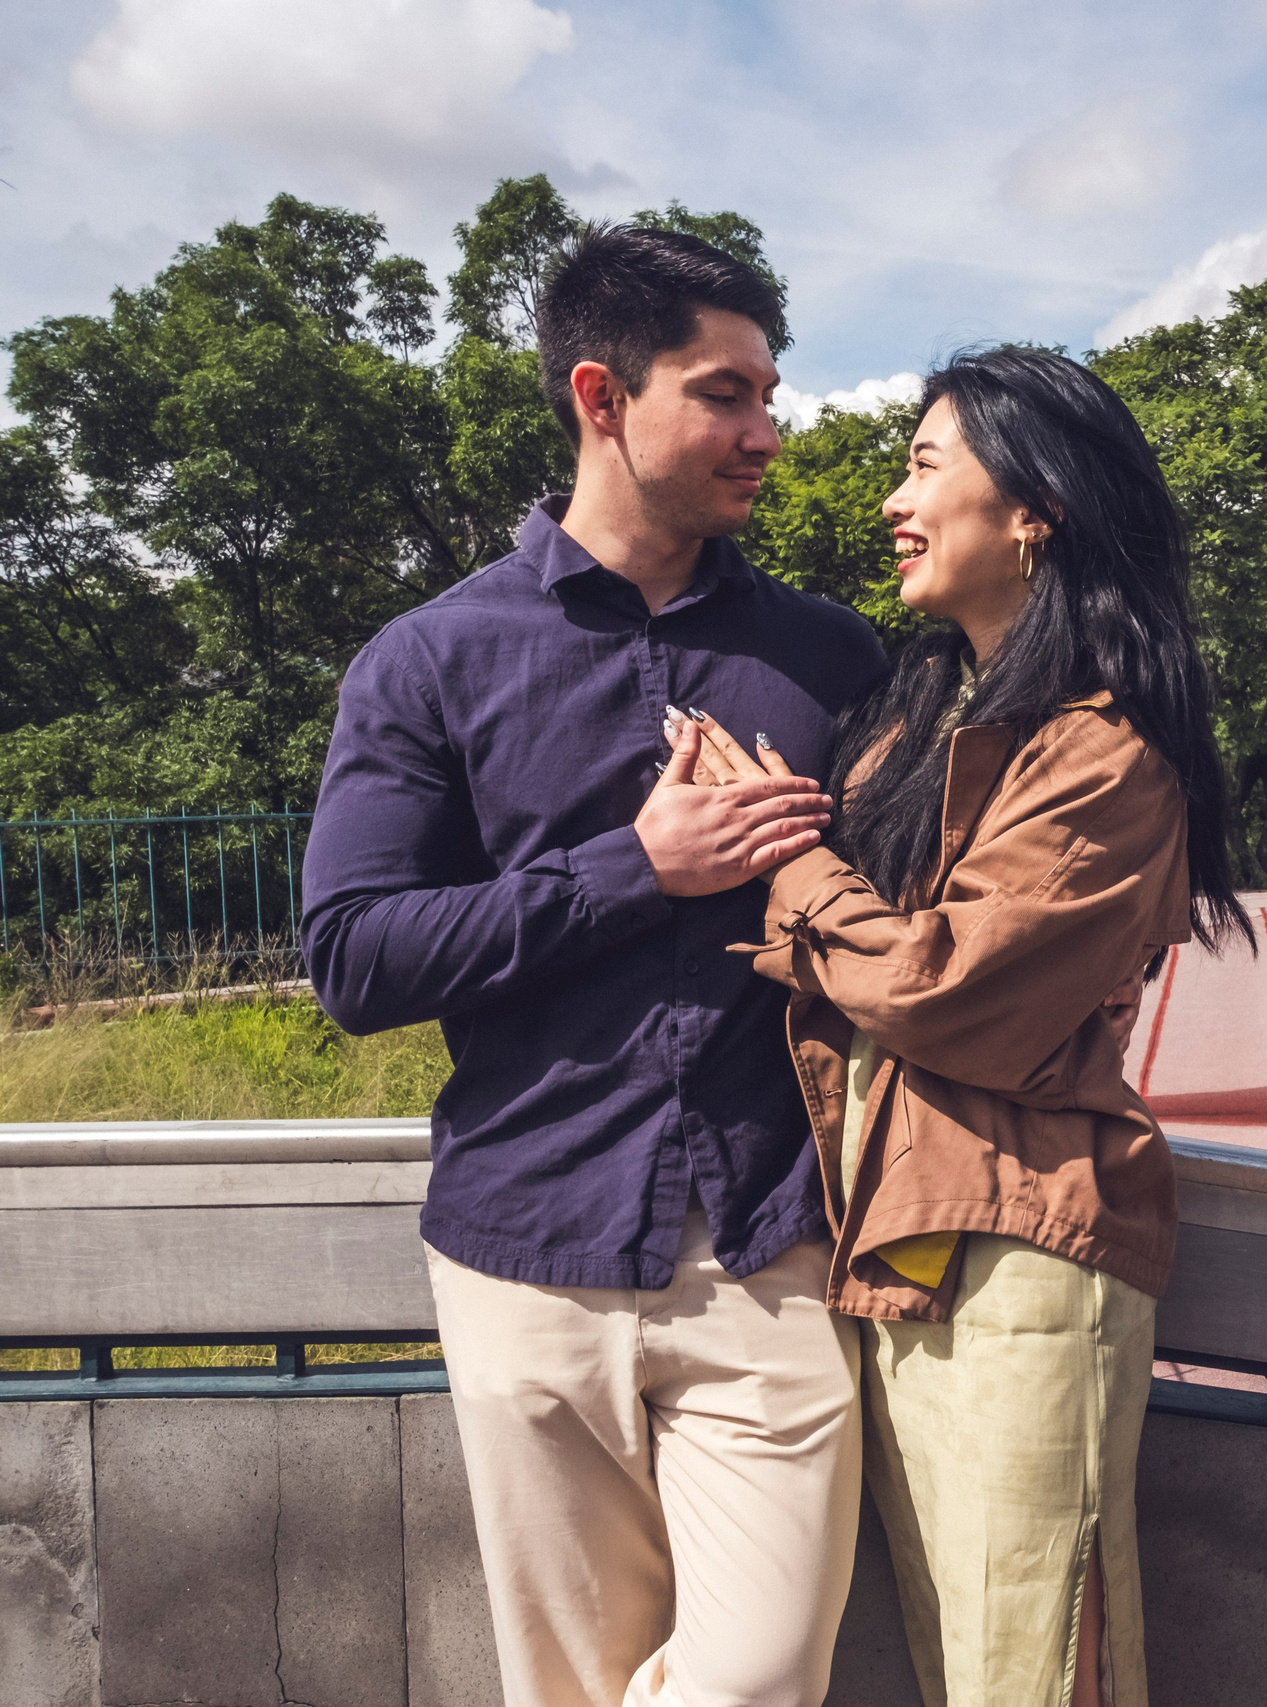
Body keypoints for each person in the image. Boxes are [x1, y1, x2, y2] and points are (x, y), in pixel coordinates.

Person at [301, 225, 890, 1707]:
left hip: (772, 1245)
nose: (768, 430)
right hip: (524, 1247)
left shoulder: (835, 661)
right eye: (724, 392)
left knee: (758, 1672)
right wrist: (643, 865)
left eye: (771, 390)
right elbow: (356, 955)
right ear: (601, 395)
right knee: (561, 1679)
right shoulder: (431, 659)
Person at [683, 345, 1251, 1707]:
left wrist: (785, 861)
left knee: (1028, 1668)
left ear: (1035, 509)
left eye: (925, 464)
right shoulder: (922, 720)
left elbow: (946, 988)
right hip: (905, 1247)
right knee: (958, 1661)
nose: (894, 498)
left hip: (1022, 1256)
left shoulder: (1107, 752)